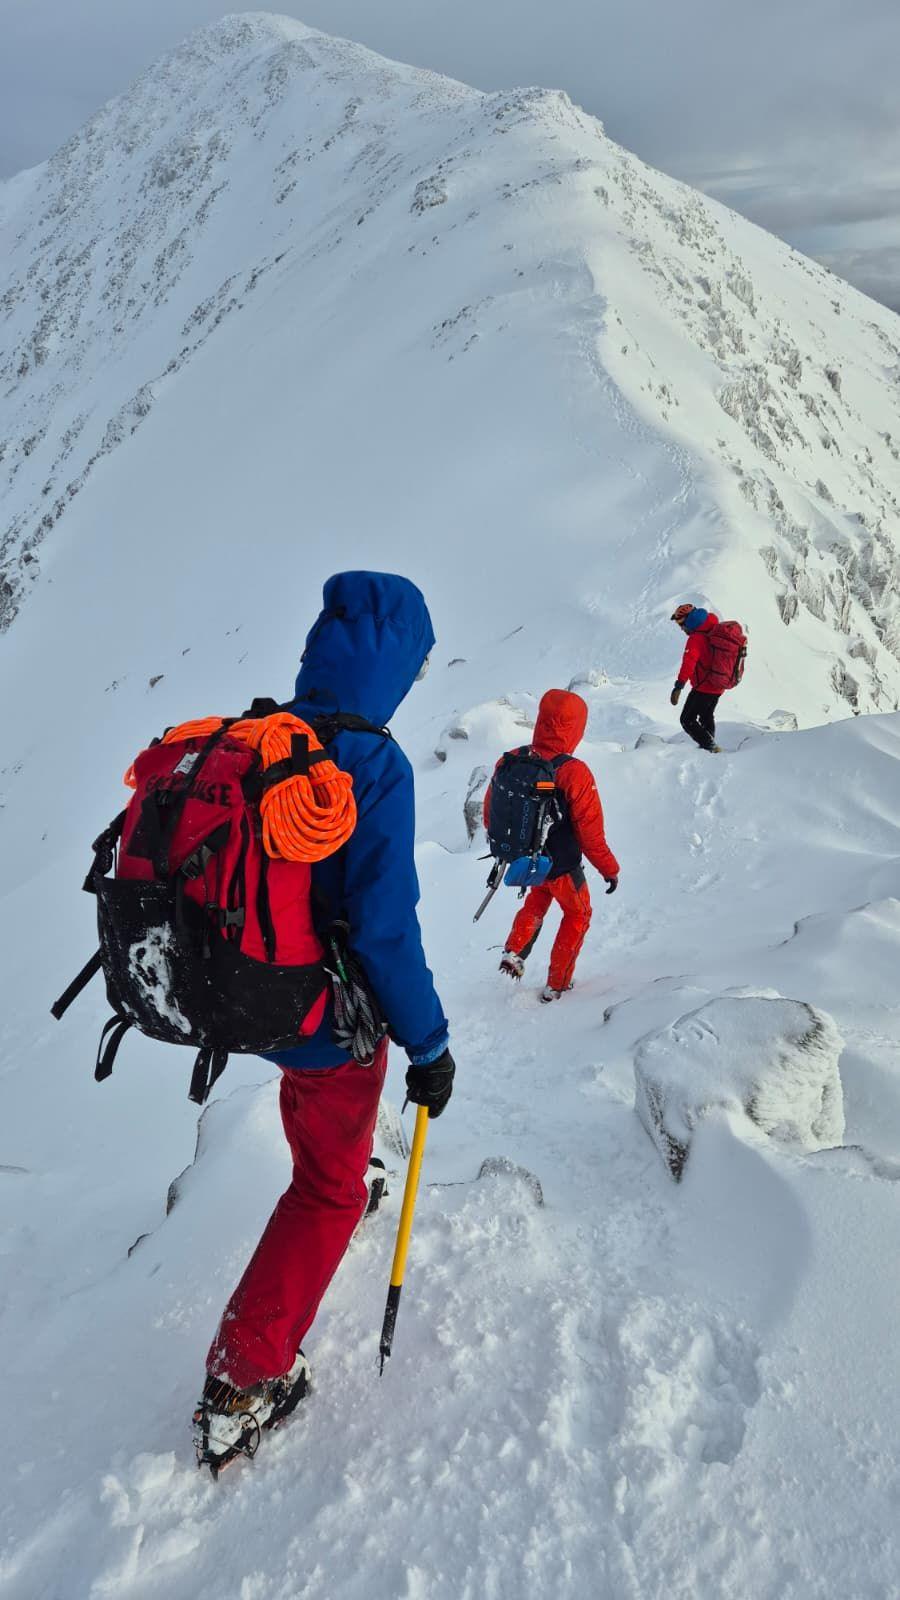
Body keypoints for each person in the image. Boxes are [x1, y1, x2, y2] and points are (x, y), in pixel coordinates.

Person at [195, 572, 454, 1468]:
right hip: (319, 1015)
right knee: (325, 1190)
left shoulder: (264, 735)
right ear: (394, 670)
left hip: (245, 999)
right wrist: (431, 1042)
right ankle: (243, 1378)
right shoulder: (373, 762)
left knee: (321, 1117)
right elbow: (384, 929)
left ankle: (342, 1172)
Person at [486, 688, 620, 1002]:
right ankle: (557, 984)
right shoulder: (574, 772)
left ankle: (515, 950)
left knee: (538, 898)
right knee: (578, 914)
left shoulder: (511, 759)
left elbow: (492, 812)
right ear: (575, 728)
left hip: (527, 859)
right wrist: (609, 869)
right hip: (562, 864)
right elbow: (591, 834)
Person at [669, 604, 724, 753]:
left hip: (704, 686)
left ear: (689, 620)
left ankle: (710, 747)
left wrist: (678, 686)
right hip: (718, 684)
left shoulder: (696, 638)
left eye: (681, 623)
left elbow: (688, 664)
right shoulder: (712, 626)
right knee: (706, 716)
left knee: (687, 720)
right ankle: (710, 747)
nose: (681, 628)